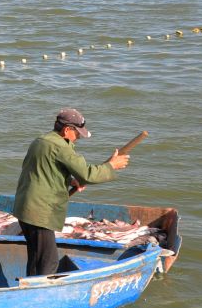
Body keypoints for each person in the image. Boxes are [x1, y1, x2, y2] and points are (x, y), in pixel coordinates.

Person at [12, 108, 130, 277]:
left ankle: (30, 285)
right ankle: (42, 294)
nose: (79, 137)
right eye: (77, 133)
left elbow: (44, 170)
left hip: (25, 208)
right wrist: (112, 166)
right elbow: (88, 174)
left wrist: (70, 181)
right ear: (67, 130)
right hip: (40, 213)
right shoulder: (61, 148)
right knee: (49, 260)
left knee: (36, 257)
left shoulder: (41, 141)